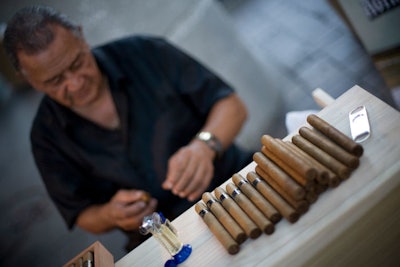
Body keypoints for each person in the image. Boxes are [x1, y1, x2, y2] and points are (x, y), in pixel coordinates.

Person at [4, 5, 254, 250]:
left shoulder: (145, 52)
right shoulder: (44, 137)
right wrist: (110, 214)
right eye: (56, 80)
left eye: (77, 63)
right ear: (30, 80)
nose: (75, 83)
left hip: (231, 186)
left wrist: (204, 146)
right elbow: (81, 213)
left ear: (81, 36)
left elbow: (233, 106)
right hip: (163, 238)